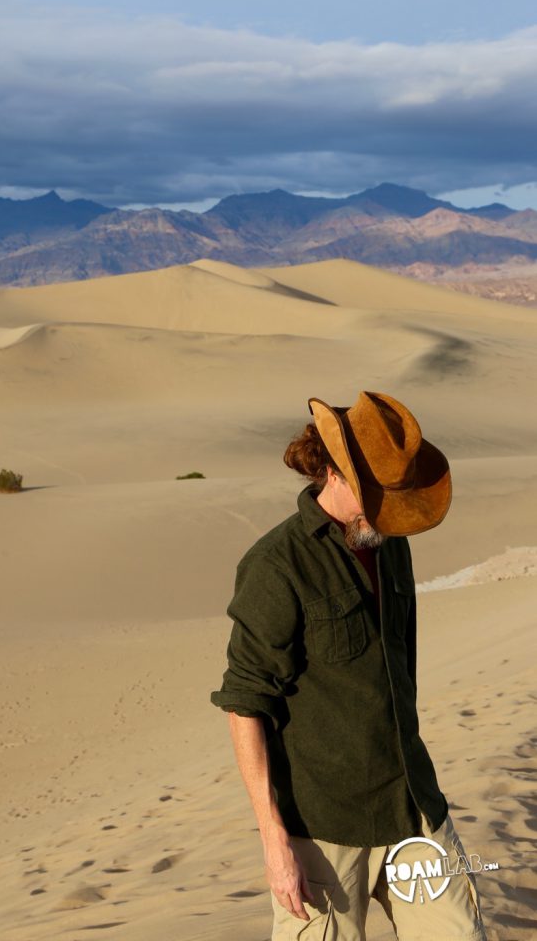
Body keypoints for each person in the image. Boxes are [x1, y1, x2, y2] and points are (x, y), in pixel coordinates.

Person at [210, 391, 487, 940]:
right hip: (323, 824)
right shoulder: (277, 565)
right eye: (377, 497)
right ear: (334, 473)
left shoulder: (388, 543)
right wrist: (274, 842)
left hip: (412, 805)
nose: (388, 513)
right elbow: (245, 704)